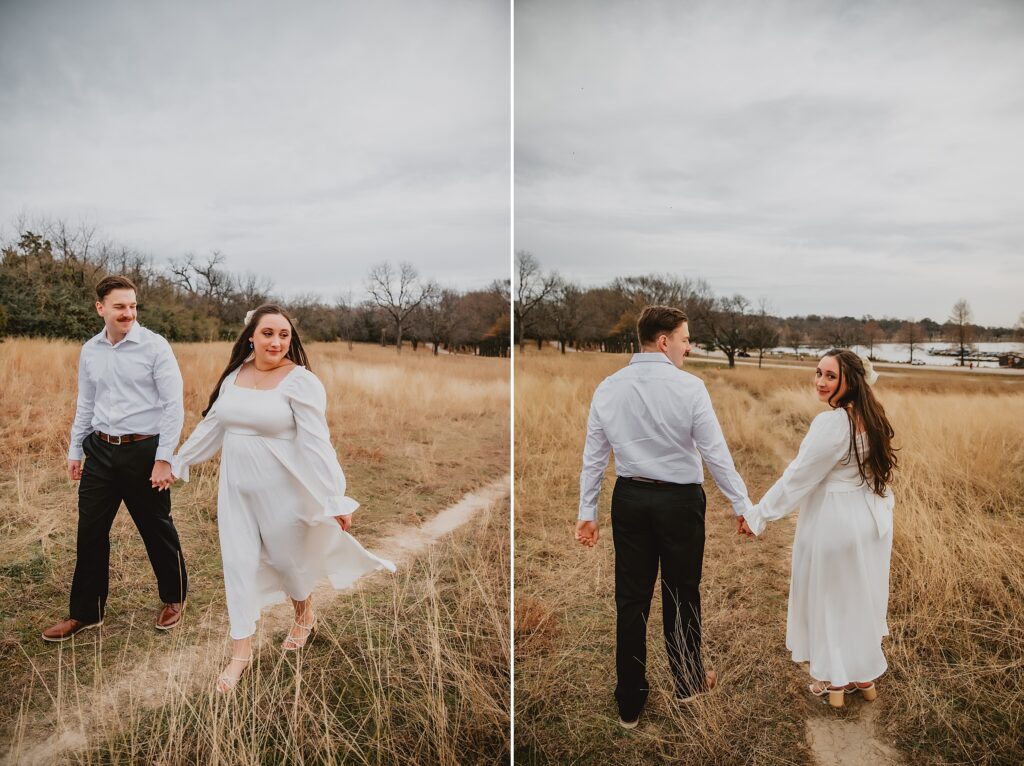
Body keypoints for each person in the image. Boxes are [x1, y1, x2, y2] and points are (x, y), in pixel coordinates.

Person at [172, 304, 395, 692]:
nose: (276, 342)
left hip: (283, 490)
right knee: (238, 565)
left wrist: (335, 497)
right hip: (236, 491)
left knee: (288, 562)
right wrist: (179, 461)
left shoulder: (300, 381)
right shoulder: (235, 375)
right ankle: (240, 654)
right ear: (251, 337)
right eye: (268, 333)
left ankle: (304, 615)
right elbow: (213, 426)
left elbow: (317, 443)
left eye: (283, 335)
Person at [575, 305, 754, 729]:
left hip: (630, 499)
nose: (688, 347)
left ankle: (629, 703)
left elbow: (594, 458)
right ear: (663, 341)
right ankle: (688, 684)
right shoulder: (690, 388)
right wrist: (743, 506)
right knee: (682, 593)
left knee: (631, 599)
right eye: (685, 339)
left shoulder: (608, 387)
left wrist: (587, 512)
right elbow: (715, 454)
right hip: (680, 504)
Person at [743, 349, 897, 708]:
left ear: (851, 381)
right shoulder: (872, 416)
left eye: (830, 376)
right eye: (818, 373)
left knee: (830, 602)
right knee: (857, 601)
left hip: (835, 522)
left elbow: (797, 478)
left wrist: (759, 515)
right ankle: (862, 677)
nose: (820, 382)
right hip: (869, 522)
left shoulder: (833, 423)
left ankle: (834, 683)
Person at [43, 275, 188, 642]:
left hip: (144, 452)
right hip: (100, 451)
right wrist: (76, 450)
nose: (128, 313)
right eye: (120, 306)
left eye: (133, 306)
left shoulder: (155, 346)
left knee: (157, 528)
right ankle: (86, 613)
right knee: (90, 531)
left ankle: (174, 599)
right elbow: (86, 403)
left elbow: (174, 406)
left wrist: (164, 458)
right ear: (101, 308)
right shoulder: (90, 350)